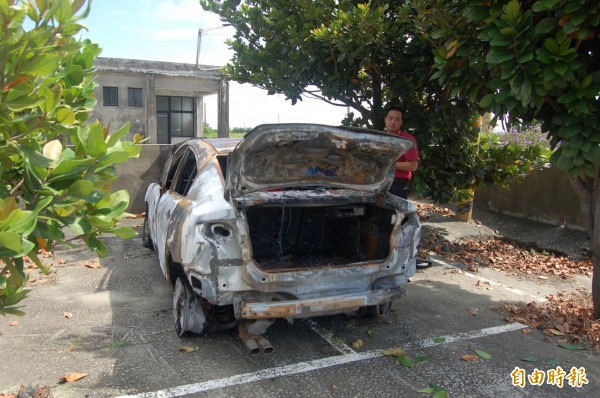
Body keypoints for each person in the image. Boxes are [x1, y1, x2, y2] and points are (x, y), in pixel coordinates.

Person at [384, 106, 419, 200]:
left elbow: (413, 166)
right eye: (390, 118)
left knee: (394, 214)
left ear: (401, 122)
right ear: (385, 120)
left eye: (397, 119)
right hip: (378, 183)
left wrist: (389, 163)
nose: (392, 122)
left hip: (398, 185)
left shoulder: (408, 140)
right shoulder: (380, 138)